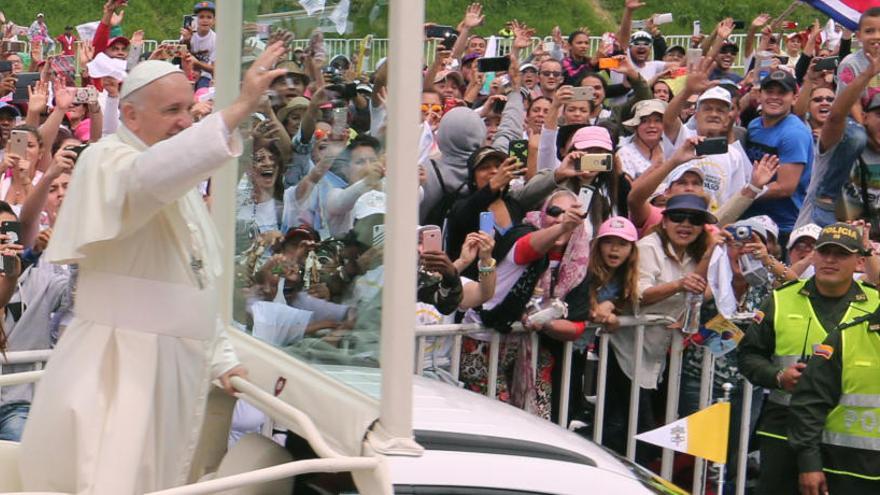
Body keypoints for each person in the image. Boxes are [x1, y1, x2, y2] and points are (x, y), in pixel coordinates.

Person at [18, 44, 289, 493]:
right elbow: (146, 179)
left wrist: (223, 359)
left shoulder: (174, 178)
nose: (185, 120)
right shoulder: (108, 160)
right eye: (171, 110)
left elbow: (192, 282)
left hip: (170, 369)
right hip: (118, 371)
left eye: (188, 108)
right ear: (130, 114)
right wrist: (239, 108)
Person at [739, 222, 880, 495]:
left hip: (846, 442)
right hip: (784, 429)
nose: (829, 260)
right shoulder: (781, 299)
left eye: (841, 254)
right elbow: (748, 355)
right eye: (824, 251)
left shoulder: (875, 303)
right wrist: (777, 376)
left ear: (859, 261)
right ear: (813, 255)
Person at [788, 227, 880, 494]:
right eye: (825, 252)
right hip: (844, 471)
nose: (830, 260)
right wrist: (809, 464)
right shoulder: (844, 338)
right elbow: (809, 405)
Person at [742, 70, 814, 244]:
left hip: (783, 226)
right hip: (751, 220)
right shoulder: (754, 125)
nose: (774, 97)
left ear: (794, 98)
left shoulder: (794, 134)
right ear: (759, 95)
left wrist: (743, 193)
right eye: (769, 91)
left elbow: (785, 187)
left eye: (782, 93)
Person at [182, 1, 218, 90]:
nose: (205, 20)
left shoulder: (216, 39)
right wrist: (186, 41)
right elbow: (180, 57)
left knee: (202, 92)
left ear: (214, 20)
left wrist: (197, 63)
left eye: (209, 17)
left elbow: (215, 69)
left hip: (205, 76)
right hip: (187, 72)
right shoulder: (187, 33)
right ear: (195, 19)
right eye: (201, 17)